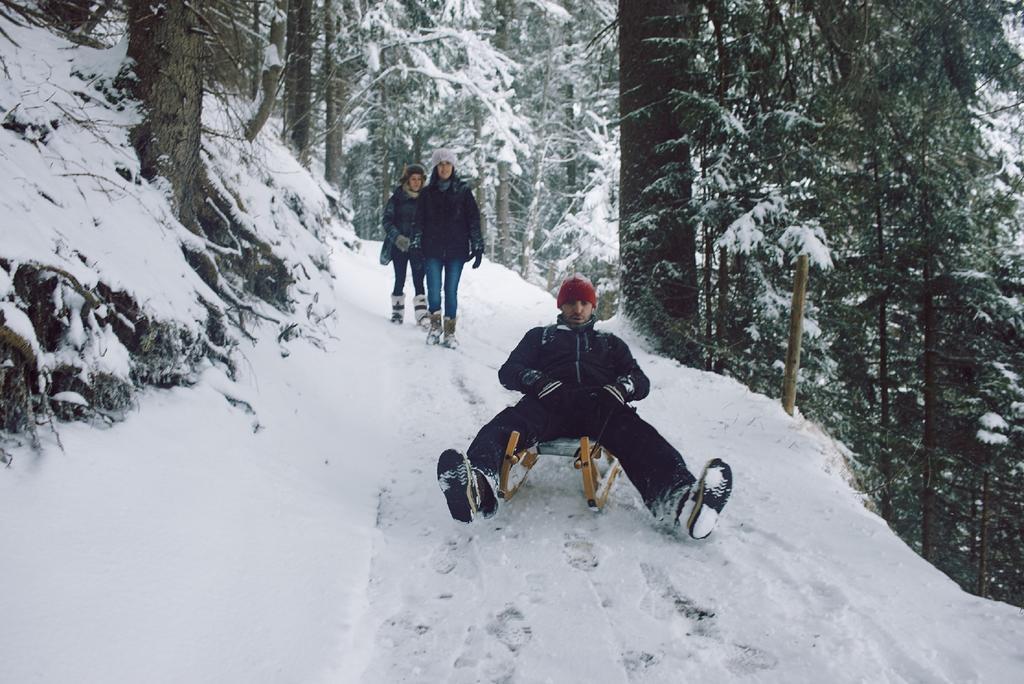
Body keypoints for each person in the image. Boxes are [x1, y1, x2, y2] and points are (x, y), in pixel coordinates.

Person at [436, 273, 733, 539]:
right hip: (548, 405)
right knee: (503, 427)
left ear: (593, 307)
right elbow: (509, 371)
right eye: (571, 302)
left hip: (600, 409)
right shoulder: (541, 337)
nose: (577, 309)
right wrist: (538, 381)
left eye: (584, 303)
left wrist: (621, 387)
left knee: (641, 438)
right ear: (560, 306)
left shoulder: (610, 343)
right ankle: (477, 485)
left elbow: (640, 380)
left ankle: (680, 500)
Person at [410, 148, 484, 348]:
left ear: (453, 166)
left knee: (450, 290)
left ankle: (449, 333)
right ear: (436, 168)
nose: (444, 168)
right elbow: (418, 221)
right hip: (431, 249)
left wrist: (477, 244)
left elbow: (473, 220)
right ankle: (435, 328)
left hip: (456, 251)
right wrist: (415, 244)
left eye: (448, 164)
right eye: (440, 164)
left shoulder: (463, 191)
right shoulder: (426, 193)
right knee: (433, 290)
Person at [380, 163, 428, 326]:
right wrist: (397, 238)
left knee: (419, 279)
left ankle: (421, 314)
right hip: (398, 245)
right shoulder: (397, 198)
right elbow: (386, 221)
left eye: (419, 179)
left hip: (418, 246)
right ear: (407, 180)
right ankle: (397, 312)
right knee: (399, 278)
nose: (416, 182)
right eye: (413, 179)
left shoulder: (426, 199)